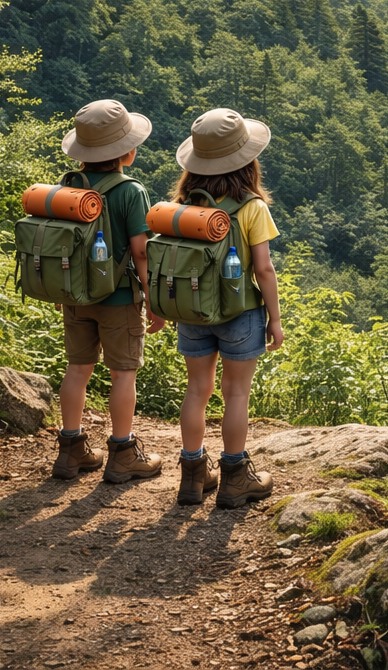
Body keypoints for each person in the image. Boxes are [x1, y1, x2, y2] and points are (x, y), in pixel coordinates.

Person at [170, 108, 284, 508]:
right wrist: (275, 320)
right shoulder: (251, 207)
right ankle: (235, 477)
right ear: (247, 161)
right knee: (236, 393)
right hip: (240, 313)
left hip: (192, 312)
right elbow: (265, 269)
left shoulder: (184, 204)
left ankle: (192, 476)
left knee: (197, 390)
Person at [51, 100, 168, 483]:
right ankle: (122, 454)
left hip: (75, 296)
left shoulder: (69, 185)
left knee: (77, 369)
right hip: (118, 298)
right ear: (127, 152)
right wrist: (154, 300)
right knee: (123, 374)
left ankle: (70, 453)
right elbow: (140, 250)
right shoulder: (130, 191)